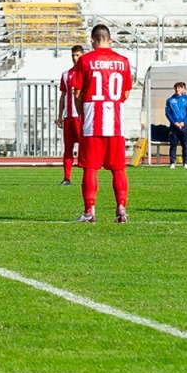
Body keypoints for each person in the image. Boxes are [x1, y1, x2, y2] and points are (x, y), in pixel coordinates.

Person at [69, 24, 134, 223]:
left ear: (92, 40)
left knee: (90, 167)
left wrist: (82, 113)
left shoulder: (85, 61)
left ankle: (90, 212)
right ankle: (121, 210)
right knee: (118, 168)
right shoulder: (123, 62)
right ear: (110, 39)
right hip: (115, 122)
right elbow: (126, 92)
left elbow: (77, 93)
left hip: (92, 120)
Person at [58, 44, 83, 184]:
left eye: (77, 55)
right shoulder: (66, 74)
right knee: (68, 147)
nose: (75, 58)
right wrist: (59, 116)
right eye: (73, 55)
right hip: (68, 116)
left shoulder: (87, 72)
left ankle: (88, 175)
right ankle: (67, 177)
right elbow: (63, 96)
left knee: (84, 146)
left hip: (81, 116)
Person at [163, 80, 187, 169]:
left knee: (185, 145)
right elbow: (167, 113)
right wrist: (174, 122)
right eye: (176, 88)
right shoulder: (170, 100)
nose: (177, 89)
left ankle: (185, 163)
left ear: (184, 89)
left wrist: (183, 122)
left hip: (185, 126)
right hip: (174, 126)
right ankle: (172, 162)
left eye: (180, 88)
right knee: (173, 145)